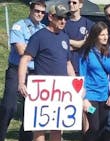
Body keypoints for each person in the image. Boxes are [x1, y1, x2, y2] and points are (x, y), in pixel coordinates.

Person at [18, 4, 75, 141]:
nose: (63, 21)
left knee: (57, 129)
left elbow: (68, 63)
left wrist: (75, 84)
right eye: (59, 18)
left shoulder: (65, 38)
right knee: (39, 129)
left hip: (60, 91)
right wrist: (21, 83)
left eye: (65, 18)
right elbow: (25, 59)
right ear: (50, 17)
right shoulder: (39, 37)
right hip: (42, 90)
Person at [0, 1, 46, 141]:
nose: (39, 14)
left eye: (42, 12)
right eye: (37, 11)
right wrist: (40, 50)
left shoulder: (44, 29)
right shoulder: (19, 26)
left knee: (30, 111)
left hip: (34, 73)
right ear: (30, 10)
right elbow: (21, 50)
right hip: (16, 70)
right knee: (9, 107)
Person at [79, 21, 110, 141]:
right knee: (94, 126)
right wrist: (84, 99)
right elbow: (82, 75)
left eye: (106, 34)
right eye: (102, 34)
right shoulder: (86, 52)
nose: (105, 37)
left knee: (102, 127)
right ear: (95, 36)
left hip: (105, 95)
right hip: (91, 95)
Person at [64, 0, 94, 75]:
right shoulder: (63, 23)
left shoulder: (88, 23)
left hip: (85, 66)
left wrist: (69, 42)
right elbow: (62, 45)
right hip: (68, 66)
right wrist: (80, 44)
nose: (71, 4)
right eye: (69, 2)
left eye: (74, 2)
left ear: (80, 5)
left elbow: (91, 44)